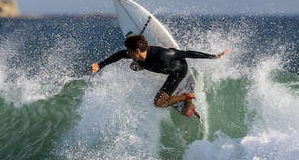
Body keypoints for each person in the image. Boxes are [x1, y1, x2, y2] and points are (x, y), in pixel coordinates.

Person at [90, 33, 231, 115]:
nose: (128, 52)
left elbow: (187, 53)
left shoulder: (163, 55)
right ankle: (183, 99)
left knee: (159, 103)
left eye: (130, 50)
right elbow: (119, 55)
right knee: (134, 66)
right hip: (156, 67)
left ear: (137, 51)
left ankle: (187, 96)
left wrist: (213, 56)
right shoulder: (136, 55)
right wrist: (100, 65)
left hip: (177, 71)